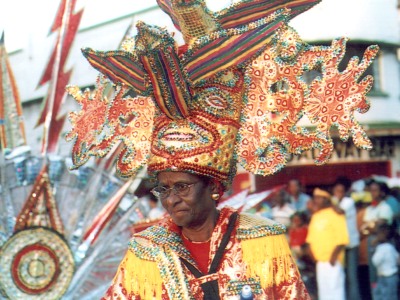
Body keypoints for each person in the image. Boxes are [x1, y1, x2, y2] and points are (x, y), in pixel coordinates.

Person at [65, 0, 379, 298]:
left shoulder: (261, 240)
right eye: (163, 188)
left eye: (182, 187)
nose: (171, 199)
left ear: (214, 186)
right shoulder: (146, 251)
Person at [305, 188, 349, 300]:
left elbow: (342, 239)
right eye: (315, 198)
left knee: (336, 293)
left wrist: (332, 259)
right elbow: (310, 239)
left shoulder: (336, 214)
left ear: (326, 199)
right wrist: (314, 258)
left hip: (332, 261)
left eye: (319, 198)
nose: (316, 200)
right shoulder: (316, 216)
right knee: (324, 293)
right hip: (320, 262)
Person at [331, 177, 361, 300]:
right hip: (339, 244)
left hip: (351, 244)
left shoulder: (348, 201)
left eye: (341, 191)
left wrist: (330, 202)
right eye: (336, 191)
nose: (338, 193)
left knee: (352, 277)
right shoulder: (334, 201)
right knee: (340, 276)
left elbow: (339, 211)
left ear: (345, 192)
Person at [371, 222, 399, 300]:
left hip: (384, 277)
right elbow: (397, 259)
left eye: (378, 234)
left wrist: (373, 249)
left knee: (382, 295)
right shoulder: (391, 247)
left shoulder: (382, 249)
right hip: (393, 276)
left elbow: (375, 261)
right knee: (392, 296)